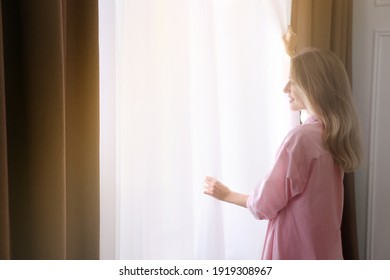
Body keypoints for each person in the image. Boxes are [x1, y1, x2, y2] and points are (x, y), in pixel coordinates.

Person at [203, 48, 362, 260]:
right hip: (325, 251)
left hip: (294, 252)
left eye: (292, 82)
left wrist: (227, 195)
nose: (285, 89)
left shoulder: (302, 139)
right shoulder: (336, 136)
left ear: (313, 87)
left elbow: (264, 204)